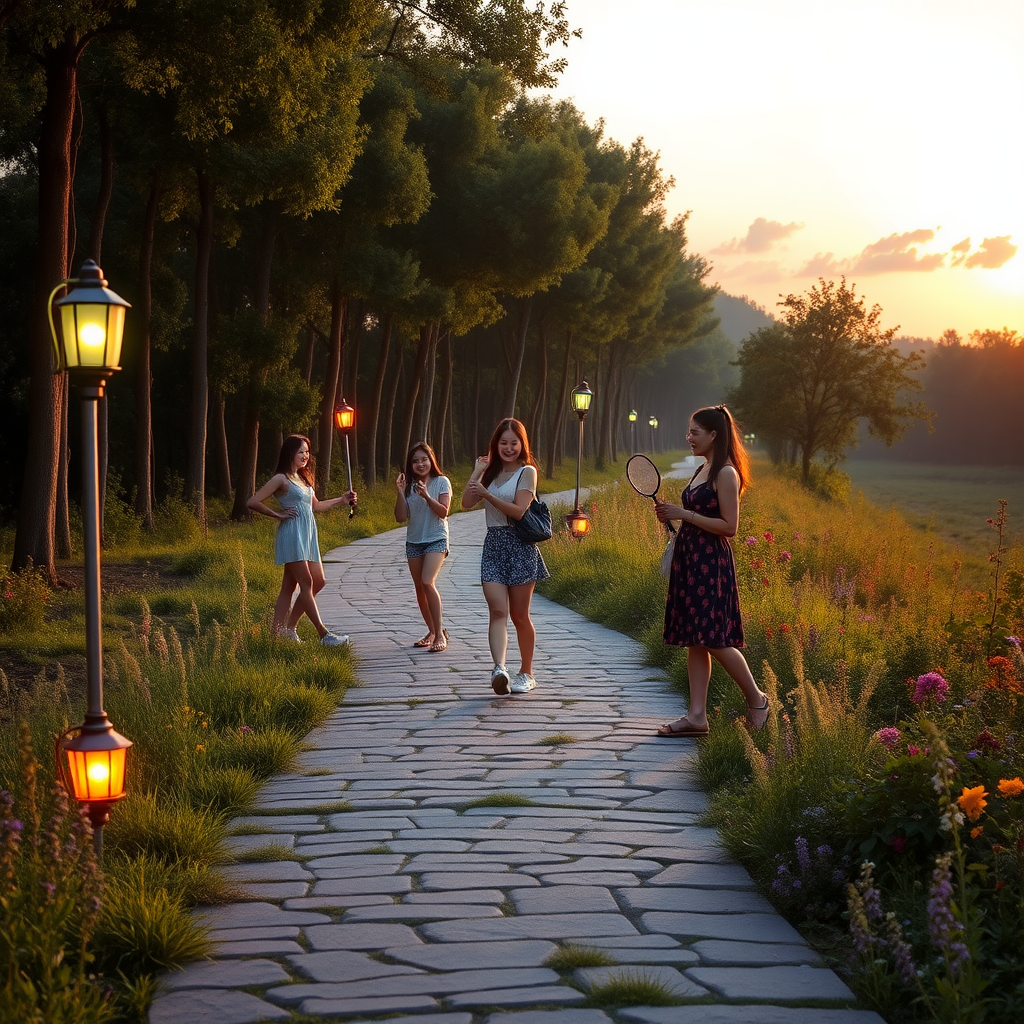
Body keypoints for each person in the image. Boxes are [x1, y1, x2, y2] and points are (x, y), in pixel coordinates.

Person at [653, 405, 769, 736]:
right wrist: (671, 515)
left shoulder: (726, 473)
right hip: (690, 560)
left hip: (710, 564)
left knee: (715, 639)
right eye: (689, 431)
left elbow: (729, 526)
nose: (688, 437)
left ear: (713, 435)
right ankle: (697, 716)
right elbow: (694, 513)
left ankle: (757, 699)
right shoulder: (703, 468)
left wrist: (684, 514)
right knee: (695, 640)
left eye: (695, 432)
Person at [461, 417, 549, 695]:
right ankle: (499, 668)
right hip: (494, 546)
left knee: (520, 616)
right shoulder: (489, 473)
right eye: (503, 442)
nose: (508, 448)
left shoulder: (527, 472)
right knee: (498, 611)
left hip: (520, 546)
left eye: (514, 442)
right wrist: (477, 472)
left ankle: (527, 672)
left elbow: (519, 511)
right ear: (495, 444)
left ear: (522, 444)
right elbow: (464, 503)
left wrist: (486, 494)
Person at [247, 434, 355, 646]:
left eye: (307, 451)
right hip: (292, 534)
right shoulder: (281, 478)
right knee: (306, 583)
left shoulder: (302, 478)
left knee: (308, 583)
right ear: (290, 453)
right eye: (300, 451)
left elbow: (316, 506)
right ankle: (324, 635)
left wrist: (341, 500)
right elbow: (252, 501)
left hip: (307, 535)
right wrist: (277, 515)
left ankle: (281, 632)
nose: (305, 455)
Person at [395, 442, 452, 652]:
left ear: (431, 460)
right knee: (419, 589)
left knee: (428, 582)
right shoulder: (409, 486)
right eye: (416, 461)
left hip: (436, 538)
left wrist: (426, 496)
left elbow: (444, 511)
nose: (420, 464)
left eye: (424, 459)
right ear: (410, 465)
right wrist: (401, 492)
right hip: (414, 541)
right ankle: (432, 630)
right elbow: (400, 518)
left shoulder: (441, 482)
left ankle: (439, 635)